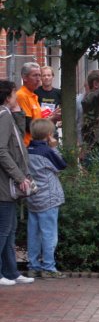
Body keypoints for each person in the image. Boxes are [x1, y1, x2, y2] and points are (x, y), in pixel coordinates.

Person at [0, 80, 35, 286]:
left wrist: (18, 112)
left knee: (10, 229)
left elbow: (19, 137)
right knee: (4, 229)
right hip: (5, 184)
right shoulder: (3, 116)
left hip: (7, 183)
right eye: (14, 94)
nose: (17, 97)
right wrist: (19, 176)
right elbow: (2, 150)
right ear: (7, 97)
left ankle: (10, 271)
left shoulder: (7, 114)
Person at [26, 119, 67, 279]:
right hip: (49, 197)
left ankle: (33, 266)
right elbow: (61, 165)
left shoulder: (27, 150)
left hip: (33, 196)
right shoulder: (47, 151)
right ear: (48, 134)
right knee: (49, 233)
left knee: (34, 234)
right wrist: (54, 147)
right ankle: (49, 267)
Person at [17, 62, 43, 145]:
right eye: (35, 75)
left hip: (35, 142)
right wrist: (50, 120)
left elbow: (36, 119)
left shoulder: (33, 95)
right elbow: (28, 125)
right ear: (24, 78)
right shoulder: (22, 95)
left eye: (39, 75)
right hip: (27, 144)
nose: (38, 79)